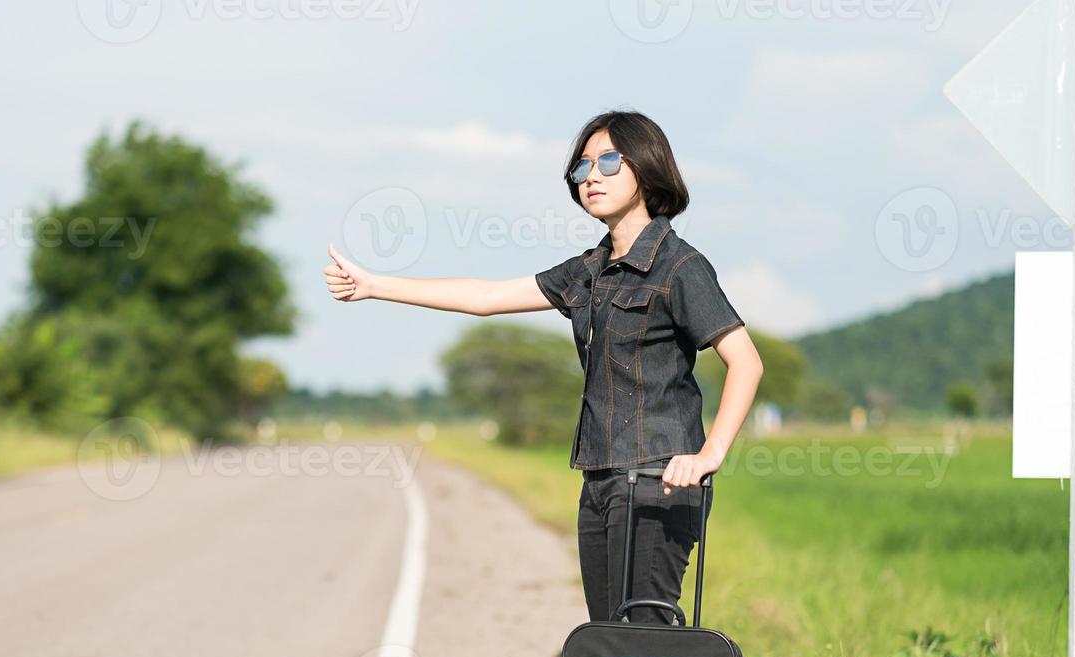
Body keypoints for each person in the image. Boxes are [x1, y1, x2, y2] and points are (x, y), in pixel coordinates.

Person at [323, 109, 763, 625]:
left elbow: (746, 362)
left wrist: (709, 454)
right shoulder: (590, 271)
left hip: (657, 479)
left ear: (646, 167)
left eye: (608, 161)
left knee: (643, 636)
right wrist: (376, 286)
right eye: (581, 168)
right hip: (599, 479)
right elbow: (485, 297)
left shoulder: (680, 267)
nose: (591, 176)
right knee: (605, 640)